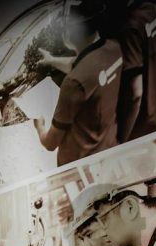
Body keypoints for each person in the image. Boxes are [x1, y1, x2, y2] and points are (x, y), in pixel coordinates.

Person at [34, 0, 123, 166]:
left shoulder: (73, 82)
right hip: (109, 148)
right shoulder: (113, 48)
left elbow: (50, 143)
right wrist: (52, 60)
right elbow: (85, 65)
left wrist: (39, 126)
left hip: (81, 166)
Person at [117, 0, 156, 142]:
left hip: (145, 133)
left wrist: (122, 140)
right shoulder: (151, 9)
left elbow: (136, 93)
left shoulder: (130, 28)